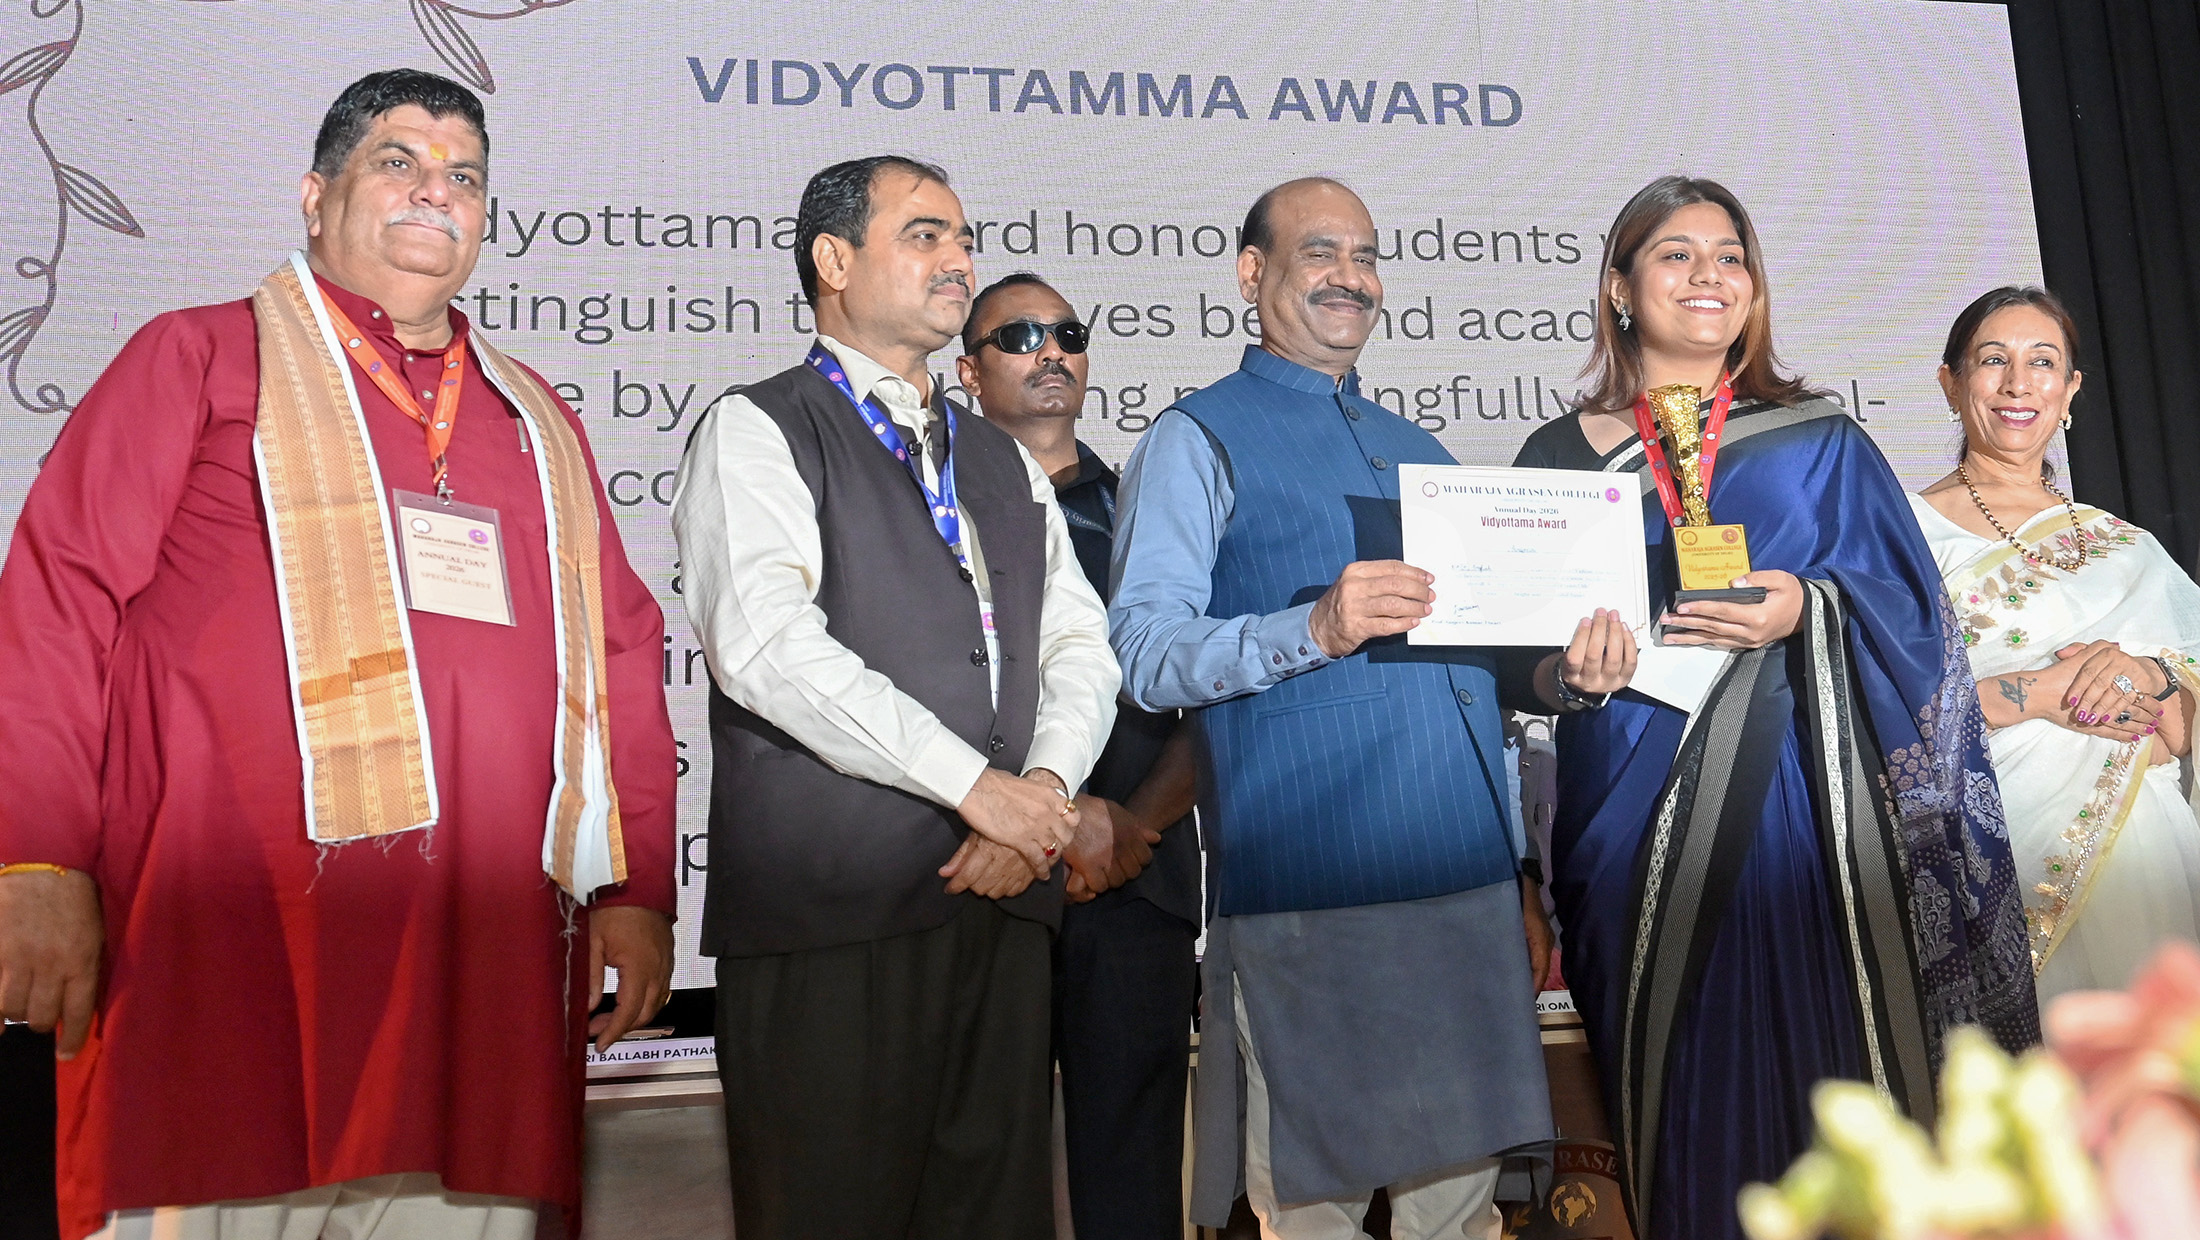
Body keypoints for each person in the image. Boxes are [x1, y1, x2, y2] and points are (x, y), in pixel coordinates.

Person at [0, 69, 676, 1238]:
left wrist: (636, 887)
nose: (437, 191)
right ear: (315, 198)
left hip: (483, 967)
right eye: (397, 162)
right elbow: (58, 600)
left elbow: (621, 650)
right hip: (232, 952)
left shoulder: (533, 417)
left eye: (464, 176)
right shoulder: (201, 357)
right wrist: (36, 858)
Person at [1507, 175, 2040, 1240]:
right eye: (1675, 254)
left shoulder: (1819, 441)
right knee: (1684, 1105)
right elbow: (1514, 659)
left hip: (1812, 824)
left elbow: (1916, 620)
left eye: (1730, 257)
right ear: (1619, 286)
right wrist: (1567, 674)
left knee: (1831, 1086)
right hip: (1626, 821)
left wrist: (1810, 605)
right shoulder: (1556, 457)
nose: (1707, 275)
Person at [670, 158, 1119, 1240]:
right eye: (924, 235)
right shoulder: (758, 426)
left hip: (1003, 913)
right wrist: (977, 790)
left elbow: (1079, 647)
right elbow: (765, 646)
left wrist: (1040, 797)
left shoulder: (1003, 460)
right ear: (833, 260)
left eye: (962, 238)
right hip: (833, 921)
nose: (957, 259)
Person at [1110, 177, 1554, 1240]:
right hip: (1311, 887)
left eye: (1365, 255)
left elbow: (1482, 671)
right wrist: (1311, 627)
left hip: (1462, 878)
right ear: (1251, 272)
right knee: (1314, 1209)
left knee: (1459, 1216)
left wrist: (1566, 677)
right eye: (1320, 252)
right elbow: (1146, 654)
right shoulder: (1193, 438)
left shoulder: (1425, 453)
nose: (1350, 276)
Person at [955, 272, 1203, 1240]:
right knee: (979, 1167)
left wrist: (1131, 822)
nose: (1050, 350)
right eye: (1019, 336)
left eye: (1067, 332)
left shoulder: (1152, 510)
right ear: (968, 371)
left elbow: (1211, 692)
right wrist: (1044, 823)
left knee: (1132, 1179)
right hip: (983, 880)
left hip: (1134, 876)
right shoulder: (931, 506)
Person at [1911, 285, 2200, 1007]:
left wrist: (2153, 677)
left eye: (2042, 362)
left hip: (2153, 858)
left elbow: (2183, 721)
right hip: (1995, 854)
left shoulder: (2128, 546)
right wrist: (2042, 695)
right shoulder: (1906, 535)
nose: (2018, 384)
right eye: (1992, 360)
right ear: (1950, 384)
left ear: (2069, 389)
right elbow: (1879, 712)